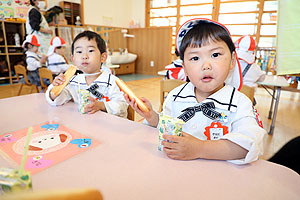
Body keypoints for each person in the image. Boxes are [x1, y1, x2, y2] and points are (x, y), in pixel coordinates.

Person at [125, 18, 266, 164]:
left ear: (232, 61)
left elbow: (248, 145)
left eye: (215, 55)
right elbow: (168, 127)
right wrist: (152, 116)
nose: (206, 65)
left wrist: (200, 148)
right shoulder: (175, 96)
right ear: (184, 68)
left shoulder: (240, 103)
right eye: (195, 58)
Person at [45, 31, 128, 117]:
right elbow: (58, 101)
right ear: (73, 59)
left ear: (103, 57)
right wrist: (55, 89)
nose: (84, 56)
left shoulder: (112, 82)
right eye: (79, 52)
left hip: (105, 126)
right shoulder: (73, 81)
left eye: (90, 50)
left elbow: (122, 106)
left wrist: (102, 105)